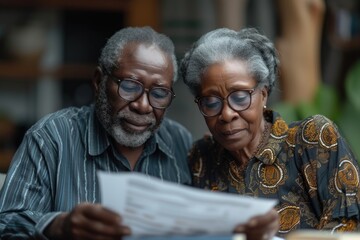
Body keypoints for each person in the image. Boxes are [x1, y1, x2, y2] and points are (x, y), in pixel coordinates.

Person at [0, 26, 278, 240]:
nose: (144, 105)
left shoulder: (179, 142)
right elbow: (5, 223)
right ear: (99, 82)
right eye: (130, 87)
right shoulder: (52, 138)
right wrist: (58, 226)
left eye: (159, 94)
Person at [179, 27, 360, 239]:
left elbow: (348, 227)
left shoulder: (311, 139)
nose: (227, 114)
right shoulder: (201, 158)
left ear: (263, 95)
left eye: (239, 97)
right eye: (211, 102)